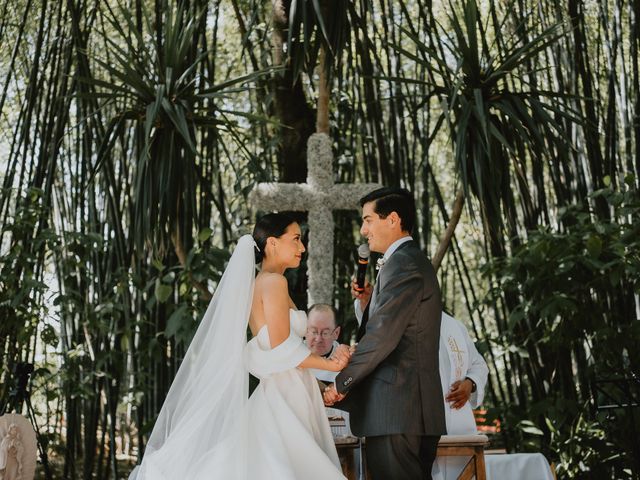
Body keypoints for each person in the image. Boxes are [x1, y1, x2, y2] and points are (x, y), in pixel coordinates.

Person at [131, 213, 351, 480]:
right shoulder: (273, 282)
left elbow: (279, 350)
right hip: (284, 396)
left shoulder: (264, 282)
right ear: (272, 243)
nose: (302, 247)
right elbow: (283, 349)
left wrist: (321, 384)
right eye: (295, 239)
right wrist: (330, 364)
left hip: (289, 389)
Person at [324, 187, 446, 480]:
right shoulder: (406, 262)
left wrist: (342, 382)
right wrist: (367, 304)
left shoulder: (403, 264)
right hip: (403, 412)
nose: (364, 230)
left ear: (392, 219)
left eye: (368, 220)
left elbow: (382, 337)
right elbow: (397, 327)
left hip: (398, 411)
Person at [305, 303, 342, 383]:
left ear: (336, 333)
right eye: (314, 332)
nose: (318, 339)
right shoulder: (294, 353)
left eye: (325, 333)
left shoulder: (344, 361)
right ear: (305, 330)